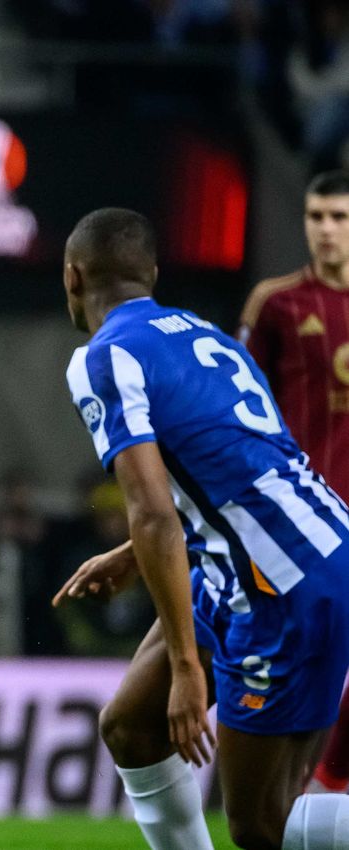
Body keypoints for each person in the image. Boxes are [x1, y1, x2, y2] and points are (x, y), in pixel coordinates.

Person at [54, 208, 349, 850]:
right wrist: (133, 552)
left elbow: (153, 511)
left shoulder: (102, 358)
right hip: (272, 556)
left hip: (283, 584)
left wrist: (188, 668)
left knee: (260, 823)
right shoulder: (200, 332)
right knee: (131, 728)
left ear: (73, 277)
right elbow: (241, 472)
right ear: (152, 274)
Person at [239, 170, 349, 795]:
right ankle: (291, 789)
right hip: (298, 523)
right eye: (316, 216)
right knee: (292, 661)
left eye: (339, 217)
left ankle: (324, 783)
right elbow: (235, 407)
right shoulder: (276, 304)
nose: (326, 230)